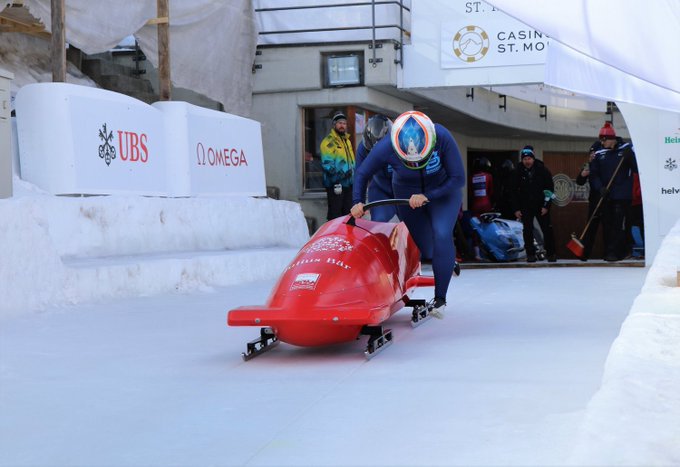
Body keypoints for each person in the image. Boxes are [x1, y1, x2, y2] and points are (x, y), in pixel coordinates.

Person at [351, 111, 465, 319]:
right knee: (424, 246)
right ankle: (439, 262)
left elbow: (458, 178)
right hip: (405, 191)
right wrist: (357, 201)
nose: (414, 163)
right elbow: (362, 172)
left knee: (441, 233)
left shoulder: (442, 137)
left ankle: (440, 298)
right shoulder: (386, 145)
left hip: (442, 192)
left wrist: (427, 195)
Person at [589, 122, 638, 262]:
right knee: (608, 225)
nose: (601, 143)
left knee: (619, 225)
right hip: (606, 195)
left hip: (622, 196)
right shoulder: (599, 153)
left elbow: (636, 169)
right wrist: (599, 188)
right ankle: (610, 251)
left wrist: (631, 158)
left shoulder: (627, 149)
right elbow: (594, 174)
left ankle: (618, 251)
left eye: (603, 140)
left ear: (611, 139)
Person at [510, 145, 557, 263]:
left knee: (547, 229)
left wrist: (546, 206)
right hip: (525, 206)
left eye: (529, 159)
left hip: (541, 205)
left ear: (533, 158)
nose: (527, 161)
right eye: (525, 159)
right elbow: (512, 191)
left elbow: (550, 189)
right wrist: (516, 209)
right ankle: (530, 254)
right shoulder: (517, 172)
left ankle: (551, 254)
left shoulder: (543, 170)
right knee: (527, 230)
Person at [354, 114, 397, 222]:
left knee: (413, 224)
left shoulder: (400, 144)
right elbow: (360, 175)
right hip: (380, 189)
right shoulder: (363, 148)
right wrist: (358, 201)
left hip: (404, 188)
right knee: (379, 222)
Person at [320, 111, 355, 220]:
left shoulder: (347, 141)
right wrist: (341, 176)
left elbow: (351, 162)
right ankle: (334, 236)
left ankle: (347, 236)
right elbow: (327, 165)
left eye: (344, 123)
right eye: (339, 123)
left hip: (348, 185)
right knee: (335, 215)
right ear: (334, 124)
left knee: (348, 215)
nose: (342, 125)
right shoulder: (328, 142)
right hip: (336, 185)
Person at [574, 141, 604, 261]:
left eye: (594, 153)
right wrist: (583, 174)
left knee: (608, 228)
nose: (592, 155)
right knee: (590, 228)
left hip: (606, 199)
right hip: (594, 201)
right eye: (591, 153)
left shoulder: (604, 165)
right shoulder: (588, 165)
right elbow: (579, 181)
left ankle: (609, 253)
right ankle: (584, 254)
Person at [469, 156, 494, 260]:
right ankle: (490, 251)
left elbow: (470, 193)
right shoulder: (488, 176)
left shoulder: (472, 177)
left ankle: (477, 254)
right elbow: (491, 192)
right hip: (486, 204)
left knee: (476, 229)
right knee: (488, 227)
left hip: (476, 204)